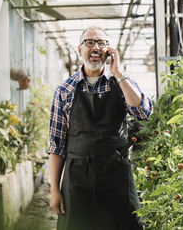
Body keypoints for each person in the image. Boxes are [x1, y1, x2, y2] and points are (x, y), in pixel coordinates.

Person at [48, 26, 153, 230]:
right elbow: (56, 144)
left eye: (101, 43)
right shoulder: (65, 90)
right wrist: (54, 189)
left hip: (116, 177)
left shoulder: (122, 83)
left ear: (109, 50)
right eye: (89, 42)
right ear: (79, 50)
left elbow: (143, 113)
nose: (95, 47)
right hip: (77, 180)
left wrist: (118, 73)